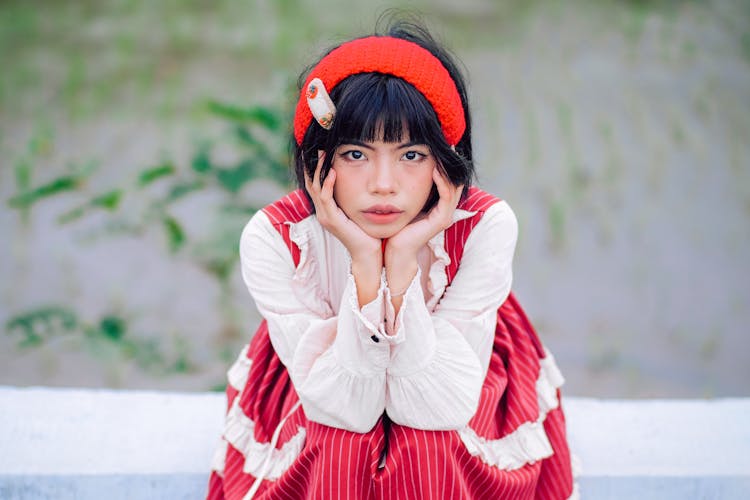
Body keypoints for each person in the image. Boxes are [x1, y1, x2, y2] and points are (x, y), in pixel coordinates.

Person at [207, 15, 577, 500]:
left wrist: (400, 262)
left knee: (429, 445)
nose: (384, 184)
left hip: (460, 363)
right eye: (356, 155)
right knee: (339, 443)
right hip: (319, 374)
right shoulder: (276, 239)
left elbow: (437, 407)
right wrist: (364, 262)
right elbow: (347, 408)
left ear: (446, 159)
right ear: (319, 158)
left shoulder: (485, 226)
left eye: (412, 155)